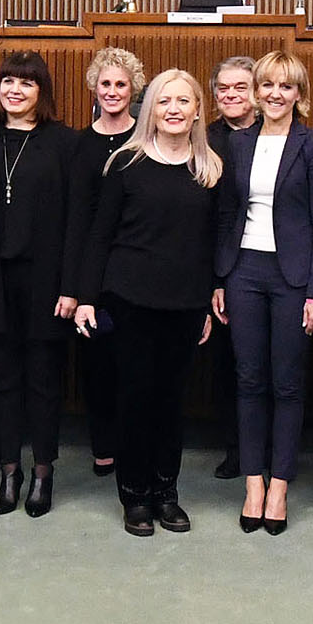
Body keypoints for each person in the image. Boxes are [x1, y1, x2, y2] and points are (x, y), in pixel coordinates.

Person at [72, 69, 220, 537]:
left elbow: (210, 243)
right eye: (163, 101)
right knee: (134, 400)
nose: (173, 109)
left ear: (198, 109)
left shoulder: (210, 169)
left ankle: (165, 493)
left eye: (183, 100)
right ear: (149, 109)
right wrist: (86, 299)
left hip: (184, 305)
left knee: (170, 403)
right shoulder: (125, 162)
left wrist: (203, 303)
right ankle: (134, 497)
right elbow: (99, 237)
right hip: (129, 299)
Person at [0, 52, 82, 517]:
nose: (15, 91)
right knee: (1, 381)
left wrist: (72, 286)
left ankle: (43, 472)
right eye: (7, 82)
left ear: (41, 91)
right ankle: (10, 471)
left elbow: (75, 223)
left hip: (47, 282)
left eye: (26, 83)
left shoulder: (65, 142)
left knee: (44, 382)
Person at [212, 50, 313, 533]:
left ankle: (280, 485)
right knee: (248, 380)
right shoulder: (238, 144)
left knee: (286, 383)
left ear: (299, 94)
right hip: (243, 271)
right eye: (267, 86)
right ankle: (253, 483)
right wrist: (218, 280)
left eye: (286, 86)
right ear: (257, 93)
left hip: (294, 279)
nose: (275, 94)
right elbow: (225, 215)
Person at [75, 45, 146, 479]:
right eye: (107, 84)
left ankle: (132, 444)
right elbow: (77, 216)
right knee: (98, 365)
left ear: (134, 89)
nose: (114, 91)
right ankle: (104, 444)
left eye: (122, 84)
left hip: (136, 268)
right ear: (94, 89)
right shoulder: (81, 144)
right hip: (92, 270)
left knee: (134, 366)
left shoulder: (148, 139)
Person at [201, 56, 260, 478]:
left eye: (240, 87)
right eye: (223, 88)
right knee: (228, 366)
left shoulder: (275, 136)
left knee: (264, 368)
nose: (231, 95)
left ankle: (265, 449)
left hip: (264, 266)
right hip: (217, 268)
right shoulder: (201, 139)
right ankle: (236, 448)